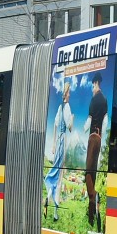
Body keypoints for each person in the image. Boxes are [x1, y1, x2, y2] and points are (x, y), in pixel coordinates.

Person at [44, 83, 73, 220]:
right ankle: (55, 213)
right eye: (69, 92)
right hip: (63, 141)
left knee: (55, 173)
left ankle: (48, 197)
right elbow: (70, 127)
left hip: (58, 142)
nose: (70, 94)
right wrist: (72, 119)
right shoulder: (67, 107)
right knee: (59, 177)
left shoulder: (60, 107)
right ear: (66, 93)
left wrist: (54, 144)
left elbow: (55, 125)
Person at [85, 73, 108, 229]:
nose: (92, 87)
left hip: (92, 136)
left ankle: (93, 198)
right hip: (99, 137)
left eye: (93, 85)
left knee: (87, 172)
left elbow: (89, 121)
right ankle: (91, 215)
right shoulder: (105, 100)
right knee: (93, 173)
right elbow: (105, 121)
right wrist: (102, 136)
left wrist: (83, 128)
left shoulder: (94, 100)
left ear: (96, 83)